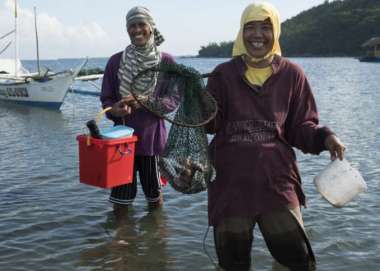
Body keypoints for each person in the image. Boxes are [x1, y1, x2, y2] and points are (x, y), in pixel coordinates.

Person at [205, 2, 346, 271]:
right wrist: (197, 104)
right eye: (251, 28)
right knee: (232, 264)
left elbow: (301, 127)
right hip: (230, 185)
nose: (257, 35)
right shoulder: (222, 74)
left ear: (276, 31)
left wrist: (326, 137)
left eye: (265, 27)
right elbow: (210, 125)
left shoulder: (293, 74)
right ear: (241, 32)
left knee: (297, 262)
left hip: (278, 184)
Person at [100, 6, 175, 222]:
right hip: (121, 144)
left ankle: (157, 240)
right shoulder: (115, 61)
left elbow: (172, 101)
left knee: (154, 197)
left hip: (152, 143)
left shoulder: (166, 62)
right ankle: (123, 243)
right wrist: (113, 109)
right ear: (127, 30)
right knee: (121, 200)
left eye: (142, 24)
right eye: (132, 25)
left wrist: (144, 102)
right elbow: (106, 98)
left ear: (151, 27)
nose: (137, 29)